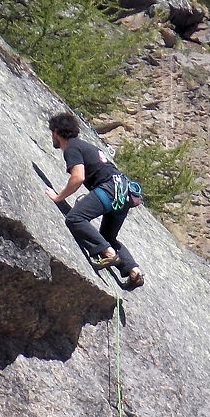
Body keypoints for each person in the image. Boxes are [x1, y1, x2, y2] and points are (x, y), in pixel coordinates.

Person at [46, 112, 144, 288]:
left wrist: (58, 197)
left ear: (56, 132)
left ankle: (107, 253)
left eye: (51, 132)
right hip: (123, 192)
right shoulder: (85, 146)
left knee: (75, 218)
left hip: (109, 189)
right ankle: (133, 271)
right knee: (107, 236)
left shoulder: (72, 148)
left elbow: (78, 177)